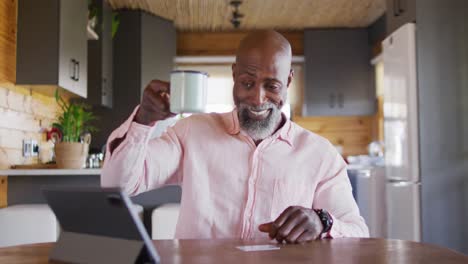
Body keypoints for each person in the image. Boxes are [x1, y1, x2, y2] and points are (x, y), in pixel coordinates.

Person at [101, 30, 369, 243]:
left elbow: (357, 231)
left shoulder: (320, 154)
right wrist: (144, 119)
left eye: (272, 85)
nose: (257, 98)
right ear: (233, 75)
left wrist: (323, 221)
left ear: (288, 82)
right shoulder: (191, 132)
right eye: (247, 83)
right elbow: (119, 184)